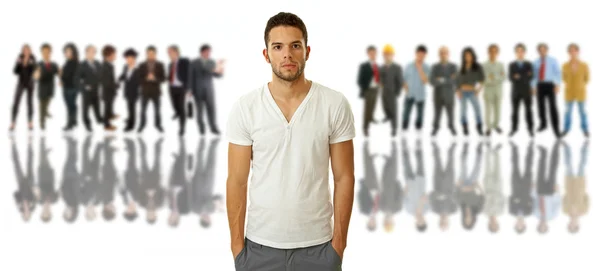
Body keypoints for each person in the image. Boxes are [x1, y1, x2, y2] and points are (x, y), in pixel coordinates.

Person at [226, 12, 355, 271]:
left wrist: (338, 246)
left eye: (295, 46)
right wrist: (238, 249)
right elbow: (237, 181)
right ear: (266, 55)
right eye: (278, 47)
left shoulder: (333, 104)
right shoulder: (246, 108)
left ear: (307, 51)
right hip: (258, 249)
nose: (287, 54)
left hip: (319, 249)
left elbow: (344, 176)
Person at [188, 44, 224, 135]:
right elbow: (190, 77)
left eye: (209, 52)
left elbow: (216, 75)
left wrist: (220, 69)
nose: (209, 53)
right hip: (198, 90)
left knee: (211, 109)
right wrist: (190, 90)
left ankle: (213, 128)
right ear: (202, 52)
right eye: (207, 51)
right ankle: (202, 129)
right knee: (199, 111)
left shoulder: (211, 62)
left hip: (209, 90)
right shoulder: (194, 62)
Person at [531, 43, 561, 138]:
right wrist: (533, 87)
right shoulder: (535, 62)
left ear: (547, 50)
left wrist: (557, 84)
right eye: (540, 50)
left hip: (550, 85)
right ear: (538, 51)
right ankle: (543, 124)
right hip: (540, 85)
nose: (542, 51)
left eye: (544, 49)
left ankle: (556, 129)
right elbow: (534, 76)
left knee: (553, 106)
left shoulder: (553, 60)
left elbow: (557, 73)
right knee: (540, 106)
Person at [561, 43, 590, 138]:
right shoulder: (565, 65)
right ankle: (566, 129)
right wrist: (570, 85)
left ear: (577, 52)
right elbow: (563, 78)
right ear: (568, 53)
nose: (572, 52)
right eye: (570, 51)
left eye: (574, 50)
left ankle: (585, 129)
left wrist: (580, 86)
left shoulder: (584, 65)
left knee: (582, 111)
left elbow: (587, 78)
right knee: (567, 112)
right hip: (569, 92)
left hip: (580, 92)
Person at [429, 46, 458, 136]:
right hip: (437, 94)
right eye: (441, 53)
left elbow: (455, 81)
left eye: (445, 52)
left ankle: (451, 126)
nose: (443, 55)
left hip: (449, 95)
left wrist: (440, 79)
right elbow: (431, 81)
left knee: (451, 113)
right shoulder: (434, 66)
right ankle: (435, 127)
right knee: (437, 113)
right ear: (439, 55)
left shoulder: (454, 66)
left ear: (448, 54)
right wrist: (448, 79)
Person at [456, 47, 485, 136]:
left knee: (477, 109)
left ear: (473, 56)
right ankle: (465, 126)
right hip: (462, 92)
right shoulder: (461, 67)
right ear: (464, 57)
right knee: (463, 110)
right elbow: (457, 82)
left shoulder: (478, 67)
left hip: (473, 92)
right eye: (466, 56)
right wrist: (458, 91)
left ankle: (479, 125)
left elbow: (482, 80)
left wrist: (477, 90)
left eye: (469, 55)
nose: (468, 57)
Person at [508, 43, 535, 137]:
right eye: (518, 51)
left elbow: (531, 77)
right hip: (515, 91)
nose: (520, 53)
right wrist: (525, 75)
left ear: (524, 52)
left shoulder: (529, 64)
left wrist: (518, 76)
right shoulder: (511, 64)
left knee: (528, 110)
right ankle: (514, 129)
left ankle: (531, 129)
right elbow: (510, 78)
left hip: (527, 91)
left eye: (521, 51)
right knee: (514, 111)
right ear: (515, 53)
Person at [138, 45, 166, 133]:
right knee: (143, 110)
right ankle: (142, 125)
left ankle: (158, 125)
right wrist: (146, 78)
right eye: (149, 54)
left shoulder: (160, 64)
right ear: (146, 54)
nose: (151, 55)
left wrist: (155, 79)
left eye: (153, 54)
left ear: (155, 54)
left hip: (156, 92)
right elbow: (138, 79)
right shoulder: (141, 65)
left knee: (157, 110)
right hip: (145, 92)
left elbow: (164, 78)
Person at [402, 45, 430, 132]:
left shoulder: (427, 67)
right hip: (409, 94)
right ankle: (404, 127)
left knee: (420, 115)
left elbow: (426, 81)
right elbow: (403, 79)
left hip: (420, 94)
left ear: (425, 55)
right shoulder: (408, 66)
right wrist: (405, 87)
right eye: (419, 54)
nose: (421, 56)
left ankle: (418, 130)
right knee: (406, 113)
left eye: (423, 54)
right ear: (416, 53)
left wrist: (420, 69)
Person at [379, 44, 403, 136]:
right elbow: (381, 78)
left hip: (393, 92)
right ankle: (387, 116)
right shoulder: (382, 67)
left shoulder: (397, 67)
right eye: (385, 54)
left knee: (394, 110)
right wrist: (380, 83)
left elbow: (400, 81)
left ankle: (394, 128)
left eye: (389, 54)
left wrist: (397, 92)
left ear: (392, 55)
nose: (387, 56)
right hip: (384, 91)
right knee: (384, 106)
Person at [34, 43, 60, 131]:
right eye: (44, 52)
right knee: (42, 106)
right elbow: (35, 77)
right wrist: (36, 74)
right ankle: (42, 122)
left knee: (48, 101)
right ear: (41, 53)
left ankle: (46, 112)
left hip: (51, 88)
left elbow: (59, 73)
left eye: (48, 52)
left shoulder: (54, 64)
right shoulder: (38, 64)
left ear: (51, 53)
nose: (46, 54)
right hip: (42, 89)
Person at [11, 44, 36, 131]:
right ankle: (13, 122)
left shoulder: (32, 58)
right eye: (24, 50)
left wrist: (30, 64)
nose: (26, 51)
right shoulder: (20, 58)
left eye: (27, 50)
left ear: (30, 51)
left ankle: (30, 122)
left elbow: (34, 71)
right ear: (22, 51)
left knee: (29, 102)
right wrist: (18, 63)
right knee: (16, 101)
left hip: (30, 83)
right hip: (21, 83)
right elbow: (15, 71)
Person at [78, 45, 103, 132]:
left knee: (97, 106)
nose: (92, 53)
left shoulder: (98, 63)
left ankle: (99, 119)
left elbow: (101, 75)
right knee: (85, 109)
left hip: (96, 90)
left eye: (94, 51)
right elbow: (76, 79)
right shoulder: (81, 65)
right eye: (90, 51)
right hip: (87, 91)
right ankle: (87, 124)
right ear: (86, 52)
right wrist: (84, 87)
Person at [482, 44, 506, 136]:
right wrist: (495, 78)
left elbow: (504, 77)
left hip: (498, 91)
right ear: (488, 52)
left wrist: (493, 77)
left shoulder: (501, 65)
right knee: (488, 110)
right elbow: (483, 80)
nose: (493, 53)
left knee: (498, 110)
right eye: (491, 51)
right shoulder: (484, 65)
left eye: (495, 51)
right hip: (488, 91)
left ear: (497, 53)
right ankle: (488, 128)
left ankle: (496, 125)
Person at [167, 45, 191, 136]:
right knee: (174, 104)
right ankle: (177, 112)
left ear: (176, 52)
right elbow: (170, 76)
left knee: (181, 107)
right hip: (172, 88)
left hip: (181, 88)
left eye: (170, 52)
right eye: (168, 53)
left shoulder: (184, 61)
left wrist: (189, 88)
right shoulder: (170, 64)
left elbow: (189, 74)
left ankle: (182, 128)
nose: (169, 54)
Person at [357, 45, 379, 137]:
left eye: (374, 53)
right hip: (368, 90)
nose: (373, 55)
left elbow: (378, 76)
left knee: (373, 105)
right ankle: (365, 127)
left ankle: (371, 118)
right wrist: (365, 89)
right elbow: (360, 80)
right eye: (371, 53)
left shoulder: (376, 65)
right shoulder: (364, 66)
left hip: (376, 89)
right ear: (368, 54)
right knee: (367, 109)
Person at [118, 48, 141, 132]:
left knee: (132, 108)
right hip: (127, 91)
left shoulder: (138, 69)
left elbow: (139, 82)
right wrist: (118, 79)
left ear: (134, 58)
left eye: (130, 58)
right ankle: (130, 119)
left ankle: (131, 125)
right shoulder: (125, 66)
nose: (128, 60)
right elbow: (123, 76)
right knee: (128, 107)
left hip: (134, 92)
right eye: (127, 58)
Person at [61, 43, 80, 131]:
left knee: (69, 106)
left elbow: (68, 76)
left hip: (70, 88)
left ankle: (69, 124)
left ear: (73, 52)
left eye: (69, 51)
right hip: (71, 87)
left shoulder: (73, 62)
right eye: (66, 51)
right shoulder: (69, 62)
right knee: (72, 105)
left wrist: (62, 75)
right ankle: (74, 120)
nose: (67, 53)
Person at [101, 45, 119, 131]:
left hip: (110, 92)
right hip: (107, 92)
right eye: (114, 54)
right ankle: (106, 125)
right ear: (109, 55)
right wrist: (116, 85)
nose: (115, 56)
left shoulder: (110, 65)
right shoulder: (105, 66)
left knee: (110, 106)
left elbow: (111, 79)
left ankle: (111, 115)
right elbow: (106, 82)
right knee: (106, 108)